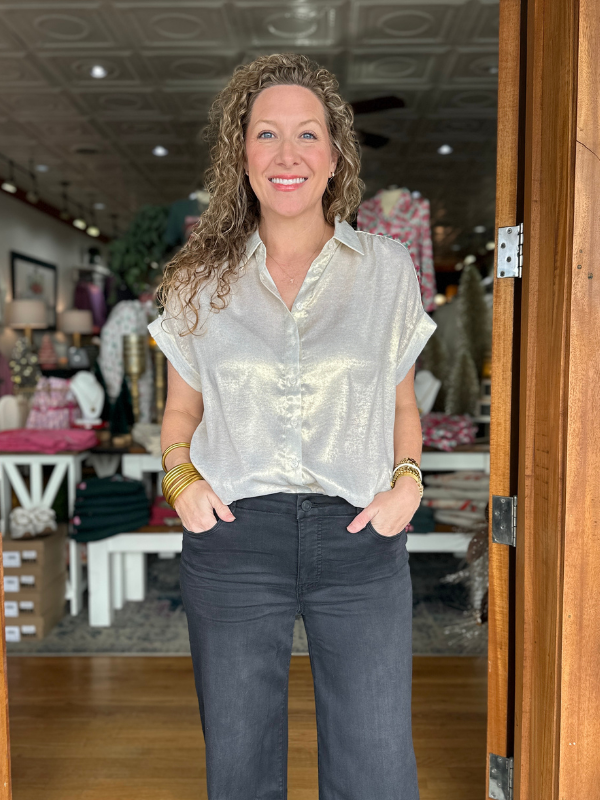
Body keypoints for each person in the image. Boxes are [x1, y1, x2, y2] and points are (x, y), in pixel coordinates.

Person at [149, 52, 437, 800]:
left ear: (336, 154)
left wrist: (408, 485)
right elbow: (180, 411)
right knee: (240, 770)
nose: (288, 154)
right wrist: (180, 480)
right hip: (235, 538)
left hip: (360, 535)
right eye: (267, 134)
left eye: (307, 134)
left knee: (376, 770)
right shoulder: (196, 278)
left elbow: (403, 404)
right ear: (240, 154)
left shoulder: (386, 270)